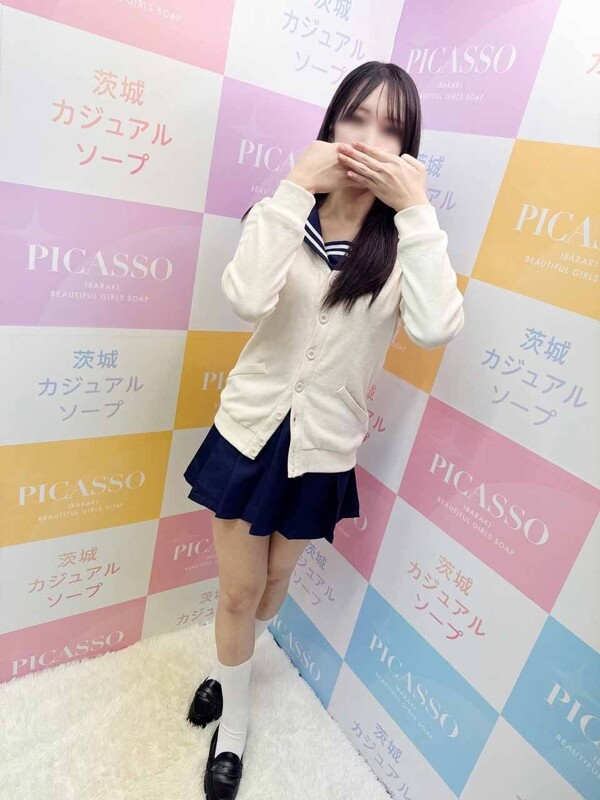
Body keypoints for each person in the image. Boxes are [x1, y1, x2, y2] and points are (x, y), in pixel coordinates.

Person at [183, 60, 465, 800]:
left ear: (407, 148)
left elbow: (436, 328)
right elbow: (246, 298)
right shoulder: (281, 213)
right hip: (250, 435)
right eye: (357, 117)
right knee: (239, 592)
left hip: (324, 447)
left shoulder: (402, 246)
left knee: (275, 583)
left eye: (391, 128)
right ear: (333, 122)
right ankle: (234, 725)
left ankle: (224, 669)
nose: (369, 138)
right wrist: (291, 189)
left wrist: (418, 212)